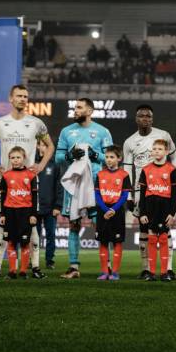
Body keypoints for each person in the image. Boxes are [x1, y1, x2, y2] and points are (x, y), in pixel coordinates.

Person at [0, 84, 53, 279]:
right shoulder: (0, 123)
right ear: (11, 98)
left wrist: (40, 165)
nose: (23, 99)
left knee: (32, 224)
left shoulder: (36, 123)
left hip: (28, 183)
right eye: (19, 96)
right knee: (2, 224)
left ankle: (36, 267)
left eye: (25, 96)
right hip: (6, 182)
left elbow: (50, 146)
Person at [55, 98, 114, 279]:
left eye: (79, 108)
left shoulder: (102, 131)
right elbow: (57, 158)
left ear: (89, 111)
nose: (76, 110)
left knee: (100, 225)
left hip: (95, 184)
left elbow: (111, 158)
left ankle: (107, 267)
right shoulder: (67, 131)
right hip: (74, 183)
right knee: (74, 224)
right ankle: (73, 267)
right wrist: (69, 155)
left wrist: (96, 155)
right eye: (75, 107)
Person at [123, 104, 176, 280]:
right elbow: (127, 170)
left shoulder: (163, 135)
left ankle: (168, 268)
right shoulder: (129, 142)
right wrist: (129, 195)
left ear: (152, 119)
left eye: (148, 116)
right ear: (136, 118)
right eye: (141, 116)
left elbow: (175, 158)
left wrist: (174, 181)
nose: (145, 119)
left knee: (165, 229)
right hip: (143, 190)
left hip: (163, 189)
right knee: (144, 228)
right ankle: (146, 268)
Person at [138, 140, 176, 281]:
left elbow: (174, 194)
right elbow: (142, 193)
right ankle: (150, 272)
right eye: (154, 148)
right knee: (151, 238)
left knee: (163, 238)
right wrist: (142, 212)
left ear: (166, 152)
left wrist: (172, 213)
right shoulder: (146, 169)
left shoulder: (171, 169)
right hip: (150, 207)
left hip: (164, 207)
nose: (156, 151)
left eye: (160, 149)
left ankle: (164, 272)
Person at [0, 147, 38, 279]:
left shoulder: (31, 175)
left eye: (18, 157)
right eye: (13, 158)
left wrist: (33, 214)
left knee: (25, 242)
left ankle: (23, 271)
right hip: (10, 212)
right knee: (11, 242)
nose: (15, 160)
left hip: (25, 213)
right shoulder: (6, 175)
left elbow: (34, 197)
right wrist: (2, 214)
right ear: (9, 159)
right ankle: (12, 271)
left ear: (24, 158)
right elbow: (2, 197)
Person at [95, 145, 131, 280]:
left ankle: (115, 272)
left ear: (119, 158)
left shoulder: (124, 175)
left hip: (117, 211)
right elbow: (97, 195)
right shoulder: (100, 174)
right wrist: (105, 209)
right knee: (103, 241)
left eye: (112, 157)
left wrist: (112, 210)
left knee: (117, 242)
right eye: (107, 157)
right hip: (102, 211)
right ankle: (104, 272)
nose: (108, 160)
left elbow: (124, 196)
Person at [35, 140, 63, 270]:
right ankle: (33, 260)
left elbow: (59, 186)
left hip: (50, 208)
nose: (43, 147)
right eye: (41, 144)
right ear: (37, 146)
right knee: (34, 236)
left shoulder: (54, 165)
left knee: (51, 235)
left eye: (46, 145)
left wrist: (57, 206)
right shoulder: (32, 164)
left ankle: (49, 260)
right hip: (34, 208)